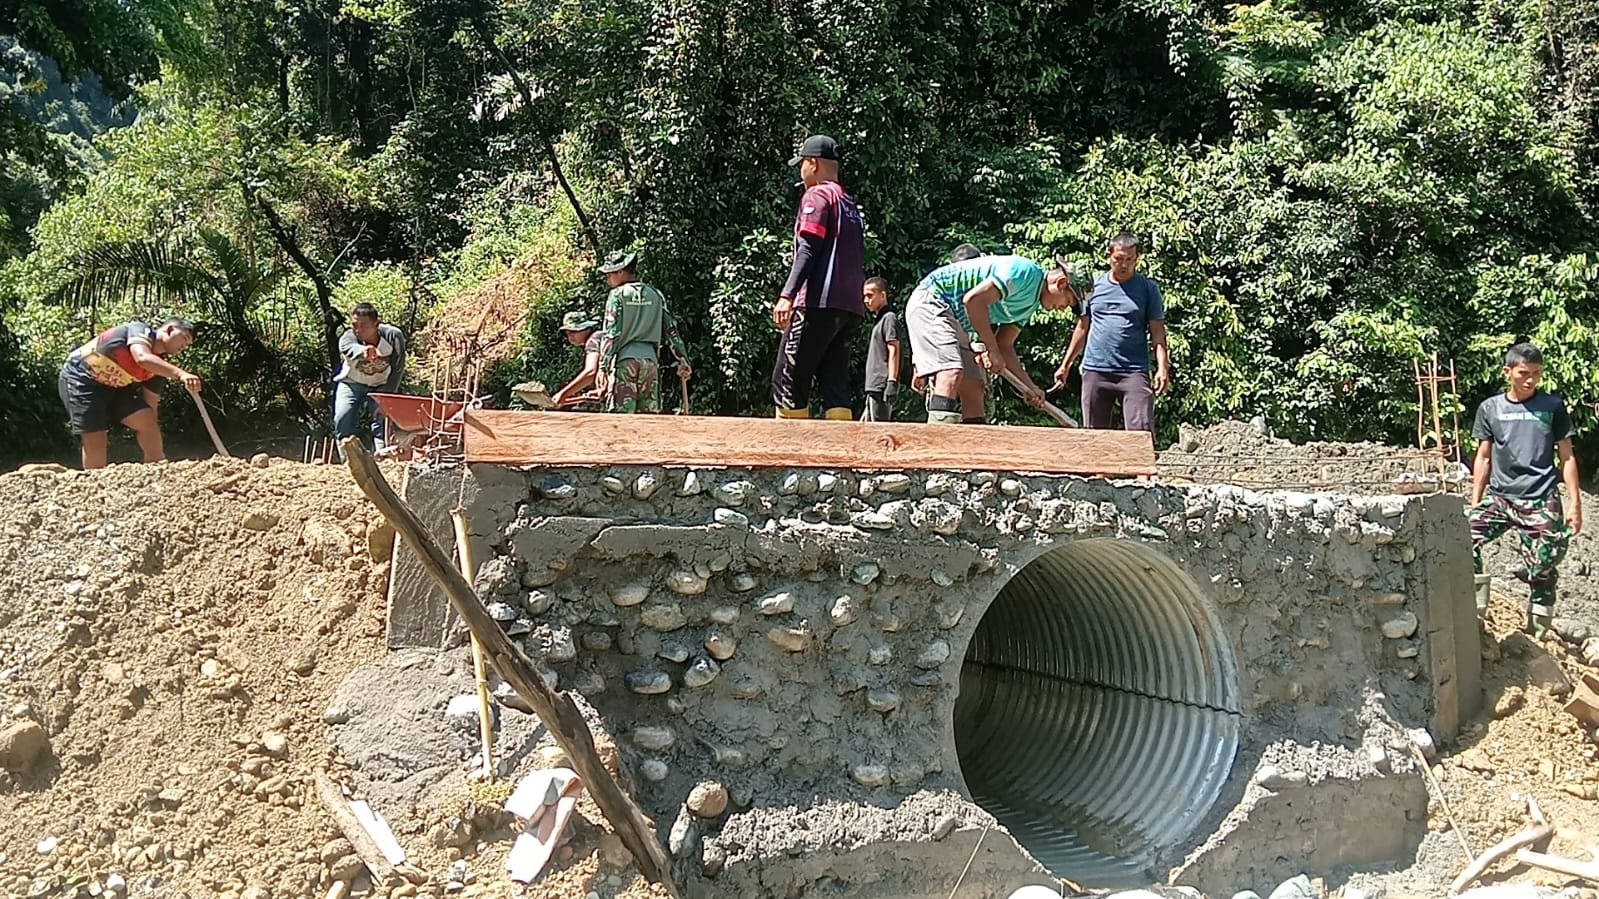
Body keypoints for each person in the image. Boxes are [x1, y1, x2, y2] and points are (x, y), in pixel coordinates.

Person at [1469, 342, 1583, 637]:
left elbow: (1567, 457)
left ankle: (1538, 634)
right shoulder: (1491, 408)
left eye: (1536, 373)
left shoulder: (1552, 408)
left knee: (1546, 560)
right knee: (1463, 536)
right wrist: (1475, 501)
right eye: (1524, 373)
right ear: (1507, 372)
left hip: (1540, 497)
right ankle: (1475, 609)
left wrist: (1575, 503)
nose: (1531, 380)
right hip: (1500, 497)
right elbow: (1483, 457)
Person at [905, 254, 1085, 424]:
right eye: (1068, 302)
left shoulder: (1030, 305)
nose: (1063, 308)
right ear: (1061, 283)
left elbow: (1004, 345)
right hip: (934, 300)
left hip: (957, 321)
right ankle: (938, 441)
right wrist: (992, 350)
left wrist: (1030, 388)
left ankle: (972, 445)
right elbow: (973, 301)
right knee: (950, 372)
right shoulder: (1024, 273)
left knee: (974, 386)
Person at [771, 134, 866, 420]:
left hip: (818, 303)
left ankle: (790, 445)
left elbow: (809, 248)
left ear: (812, 163)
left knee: (788, 380)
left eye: (801, 164)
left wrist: (787, 295)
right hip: (849, 308)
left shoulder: (817, 195)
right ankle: (839, 446)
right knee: (834, 382)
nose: (800, 171)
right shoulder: (848, 203)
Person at [1052, 233, 1170, 432]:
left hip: (1133, 371)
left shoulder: (1148, 289)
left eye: (1130, 259)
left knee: (1141, 433)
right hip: (1096, 369)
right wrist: (1065, 365)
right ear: (1108, 256)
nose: (1124, 265)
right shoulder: (1092, 287)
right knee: (1094, 436)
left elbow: (1158, 332)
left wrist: (1162, 367)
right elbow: (1082, 327)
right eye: (1119, 259)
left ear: (1137, 259)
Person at [58, 318, 200, 469]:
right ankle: (94, 478)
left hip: (115, 387)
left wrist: (151, 425)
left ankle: (157, 466)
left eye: (188, 344)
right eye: (184, 338)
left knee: (147, 419)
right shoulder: (140, 330)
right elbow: (142, 358)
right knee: (95, 437)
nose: (184, 346)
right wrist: (181, 374)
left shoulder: (158, 368)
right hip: (81, 379)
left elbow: (150, 404)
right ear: (170, 329)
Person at [594, 251, 692, 413]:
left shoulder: (617, 295)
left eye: (609, 274)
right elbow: (671, 331)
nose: (607, 279)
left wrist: (603, 366)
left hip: (625, 362)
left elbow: (612, 333)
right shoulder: (655, 295)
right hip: (650, 363)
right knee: (648, 418)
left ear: (621, 272)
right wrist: (683, 359)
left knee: (622, 417)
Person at [333, 303, 406, 448]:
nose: (358, 330)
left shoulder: (392, 336)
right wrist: (363, 351)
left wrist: (388, 396)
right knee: (342, 417)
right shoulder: (348, 337)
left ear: (376, 324)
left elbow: (398, 367)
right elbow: (349, 348)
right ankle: (347, 454)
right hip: (352, 383)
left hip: (380, 385)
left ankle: (381, 454)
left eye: (364, 326)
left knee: (381, 421)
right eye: (354, 325)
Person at [861, 277, 901, 422]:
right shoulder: (880, 319)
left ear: (883, 295)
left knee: (879, 428)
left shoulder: (889, 319)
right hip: (873, 386)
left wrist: (891, 381)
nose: (866, 300)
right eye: (864, 296)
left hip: (881, 385)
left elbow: (894, 350)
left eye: (870, 295)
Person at [550, 311, 601, 407]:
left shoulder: (593, 341)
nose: (570, 336)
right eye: (567, 332)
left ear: (587, 329)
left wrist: (563, 393)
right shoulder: (601, 337)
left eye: (574, 331)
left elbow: (591, 372)